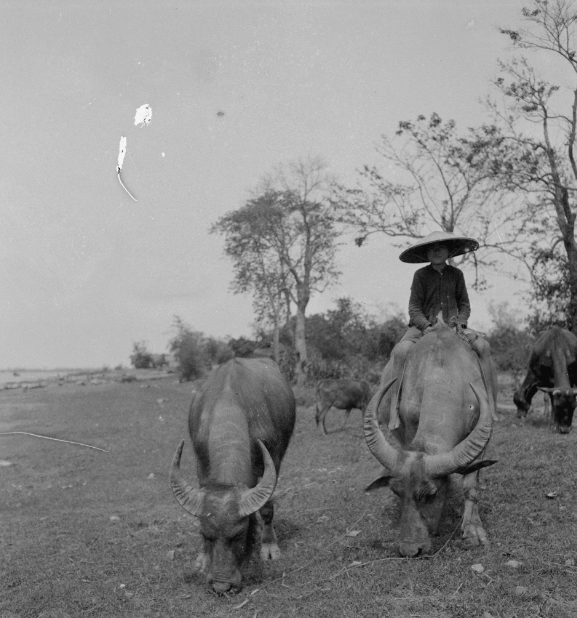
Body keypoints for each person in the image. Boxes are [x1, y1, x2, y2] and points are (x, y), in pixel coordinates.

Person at [387, 230, 496, 429]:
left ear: (449, 252)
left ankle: (490, 405)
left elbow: (465, 305)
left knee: (483, 347)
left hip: (454, 327)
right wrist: (426, 326)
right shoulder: (420, 275)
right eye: (432, 249)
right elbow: (413, 308)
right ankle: (394, 407)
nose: (437, 252)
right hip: (423, 328)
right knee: (400, 352)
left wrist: (461, 324)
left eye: (441, 248)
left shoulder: (457, 274)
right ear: (426, 254)